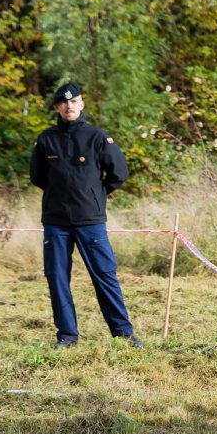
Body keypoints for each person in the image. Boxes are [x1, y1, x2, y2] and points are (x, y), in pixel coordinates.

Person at [29, 81, 142, 349]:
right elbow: (37, 177)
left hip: (90, 221)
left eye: (74, 101)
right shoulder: (46, 139)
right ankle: (67, 337)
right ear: (57, 107)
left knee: (105, 275)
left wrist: (93, 196)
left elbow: (119, 174)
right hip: (56, 222)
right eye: (63, 102)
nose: (69, 105)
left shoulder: (98, 137)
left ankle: (123, 334)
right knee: (57, 278)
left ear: (81, 104)